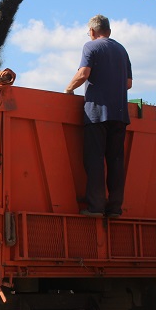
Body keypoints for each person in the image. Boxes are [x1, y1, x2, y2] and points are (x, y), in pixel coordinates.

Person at [65, 15, 132, 218]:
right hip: (119, 114)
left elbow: (84, 73)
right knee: (115, 161)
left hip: (96, 113)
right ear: (109, 31)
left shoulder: (91, 47)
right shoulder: (122, 50)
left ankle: (95, 207)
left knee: (95, 160)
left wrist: (68, 89)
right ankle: (114, 209)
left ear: (93, 32)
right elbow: (128, 83)